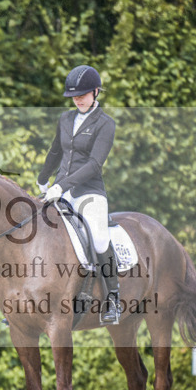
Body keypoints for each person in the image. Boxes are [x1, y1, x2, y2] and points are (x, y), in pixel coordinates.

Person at [37, 64, 120, 325]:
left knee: (97, 239)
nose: (78, 99)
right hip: (59, 189)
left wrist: (62, 186)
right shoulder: (65, 119)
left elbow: (95, 164)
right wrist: (42, 178)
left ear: (96, 92)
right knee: (36, 231)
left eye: (83, 95)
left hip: (89, 192)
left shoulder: (106, 124)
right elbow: (55, 152)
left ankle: (113, 299)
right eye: (74, 96)